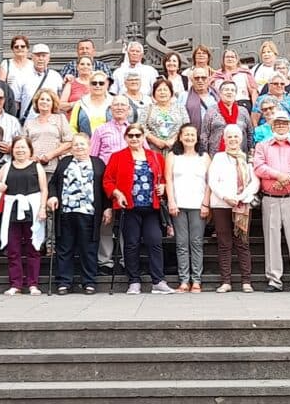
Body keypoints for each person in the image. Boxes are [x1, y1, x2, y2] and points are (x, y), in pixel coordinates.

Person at [103, 123, 175, 294]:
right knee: (131, 244)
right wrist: (117, 193)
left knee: (155, 241)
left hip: (152, 207)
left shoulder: (155, 156)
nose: (134, 138)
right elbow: (107, 180)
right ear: (126, 137)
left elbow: (164, 178)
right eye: (131, 136)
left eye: (138, 135)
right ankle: (133, 281)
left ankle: (158, 280)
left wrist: (163, 187)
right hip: (129, 206)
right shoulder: (117, 157)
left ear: (143, 137)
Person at [253, 110, 290, 293]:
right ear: (271, 126)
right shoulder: (262, 146)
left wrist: (286, 178)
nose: (280, 126)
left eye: (284, 123)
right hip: (270, 198)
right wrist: (279, 175)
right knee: (272, 240)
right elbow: (259, 167)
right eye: (277, 123)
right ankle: (274, 280)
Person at [90, 95, 149, 275]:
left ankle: (126, 260)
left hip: (131, 182)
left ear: (130, 109)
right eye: (116, 105)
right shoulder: (101, 130)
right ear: (110, 108)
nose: (120, 108)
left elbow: (144, 152)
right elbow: (93, 156)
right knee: (106, 222)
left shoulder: (135, 130)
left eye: (123, 105)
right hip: (106, 181)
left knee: (128, 224)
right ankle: (105, 262)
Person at [48, 133, 111, 295]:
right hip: (66, 212)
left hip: (89, 212)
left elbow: (105, 188)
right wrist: (53, 196)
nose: (79, 147)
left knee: (88, 248)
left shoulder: (97, 163)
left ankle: (89, 282)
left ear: (89, 146)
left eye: (82, 144)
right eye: (76, 144)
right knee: (64, 247)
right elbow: (53, 183)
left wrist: (107, 207)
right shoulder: (64, 162)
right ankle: (64, 282)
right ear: (71, 147)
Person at [0, 136, 48, 296]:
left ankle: (33, 284)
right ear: (12, 150)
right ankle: (16, 283)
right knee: (13, 248)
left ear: (30, 150)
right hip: (12, 210)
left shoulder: (37, 167)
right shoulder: (7, 167)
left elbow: (44, 189)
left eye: (23, 147)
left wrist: (43, 208)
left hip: (33, 209)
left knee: (33, 247)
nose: (20, 150)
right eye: (17, 147)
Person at [208, 124, 260, 293]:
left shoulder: (247, 158)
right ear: (224, 139)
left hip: (242, 205)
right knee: (224, 243)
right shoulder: (218, 157)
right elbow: (213, 180)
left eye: (236, 137)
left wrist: (242, 197)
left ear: (241, 139)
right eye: (229, 137)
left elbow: (255, 181)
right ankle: (226, 281)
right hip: (221, 204)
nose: (233, 140)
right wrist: (226, 197)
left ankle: (246, 280)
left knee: (242, 242)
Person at [165, 124, 211, 293]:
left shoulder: (204, 157)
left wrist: (206, 203)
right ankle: (184, 280)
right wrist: (171, 201)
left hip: (198, 205)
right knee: (181, 244)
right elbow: (168, 180)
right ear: (180, 137)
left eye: (192, 135)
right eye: (186, 135)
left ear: (197, 138)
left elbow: (209, 182)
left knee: (196, 243)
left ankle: (196, 280)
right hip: (179, 205)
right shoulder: (172, 156)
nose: (189, 138)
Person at [22, 88, 73, 178]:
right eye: (42, 99)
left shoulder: (60, 119)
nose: (44, 102)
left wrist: (51, 155)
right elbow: (23, 144)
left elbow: (69, 142)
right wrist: (31, 156)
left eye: (48, 100)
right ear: (37, 102)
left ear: (53, 103)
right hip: (33, 167)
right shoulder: (29, 122)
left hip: (54, 167)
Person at [200, 81, 253, 156]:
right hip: (216, 155)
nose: (229, 92)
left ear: (235, 94)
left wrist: (250, 151)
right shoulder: (211, 110)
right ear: (220, 93)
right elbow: (204, 134)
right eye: (226, 90)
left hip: (240, 154)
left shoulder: (243, 111)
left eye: (232, 90)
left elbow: (250, 133)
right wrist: (205, 154)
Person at [139, 78, 190, 154]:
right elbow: (141, 127)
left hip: (176, 148)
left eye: (165, 90)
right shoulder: (148, 108)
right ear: (154, 94)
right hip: (153, 150)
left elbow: (186, 126)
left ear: (171, 93)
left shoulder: (180, 108)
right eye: (159, 90)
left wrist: (173, 140)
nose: (162, 92)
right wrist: (156, 141)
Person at [16, 44, 64, 124]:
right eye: (37, 55)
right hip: (29, 124)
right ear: (32, 57)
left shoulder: (56, 76)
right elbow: (16, 103)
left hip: (51, 124)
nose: (41, 58)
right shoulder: (22, 75)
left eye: (44, 56)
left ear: (48, 59)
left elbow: (60, 101)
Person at [252, 73, 290, 141]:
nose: (279, 86)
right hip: (268, 137)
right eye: (275, 84)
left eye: (282, 84)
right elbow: (254, 121)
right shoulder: (261, 99)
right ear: (269, 85)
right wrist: (258, 135)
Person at [179, 66, 219, 145]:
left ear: (208, 79)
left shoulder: (217, 96)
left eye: (203, 78)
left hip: (215, 139)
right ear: (191, 80)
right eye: (197, 78)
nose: (200, 80)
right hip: (192, 140)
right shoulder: (184, 96)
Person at [210, 48, 258, 113]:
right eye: (227, 57)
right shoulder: (217, 76)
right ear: (223, 60)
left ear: (237, 59)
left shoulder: (244, 73)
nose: (230, 59)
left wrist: (255, 109)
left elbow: (253, 92)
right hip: (221, 107)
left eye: (232, 57)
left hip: (242, 105)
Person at [69, 70, 113, 135]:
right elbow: (72, 127)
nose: (97, 86)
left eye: (101, 83)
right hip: (86, 143)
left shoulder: (113, 103)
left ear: (107, 85)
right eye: (94, 83)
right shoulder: (80, 104)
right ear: (89, 85)